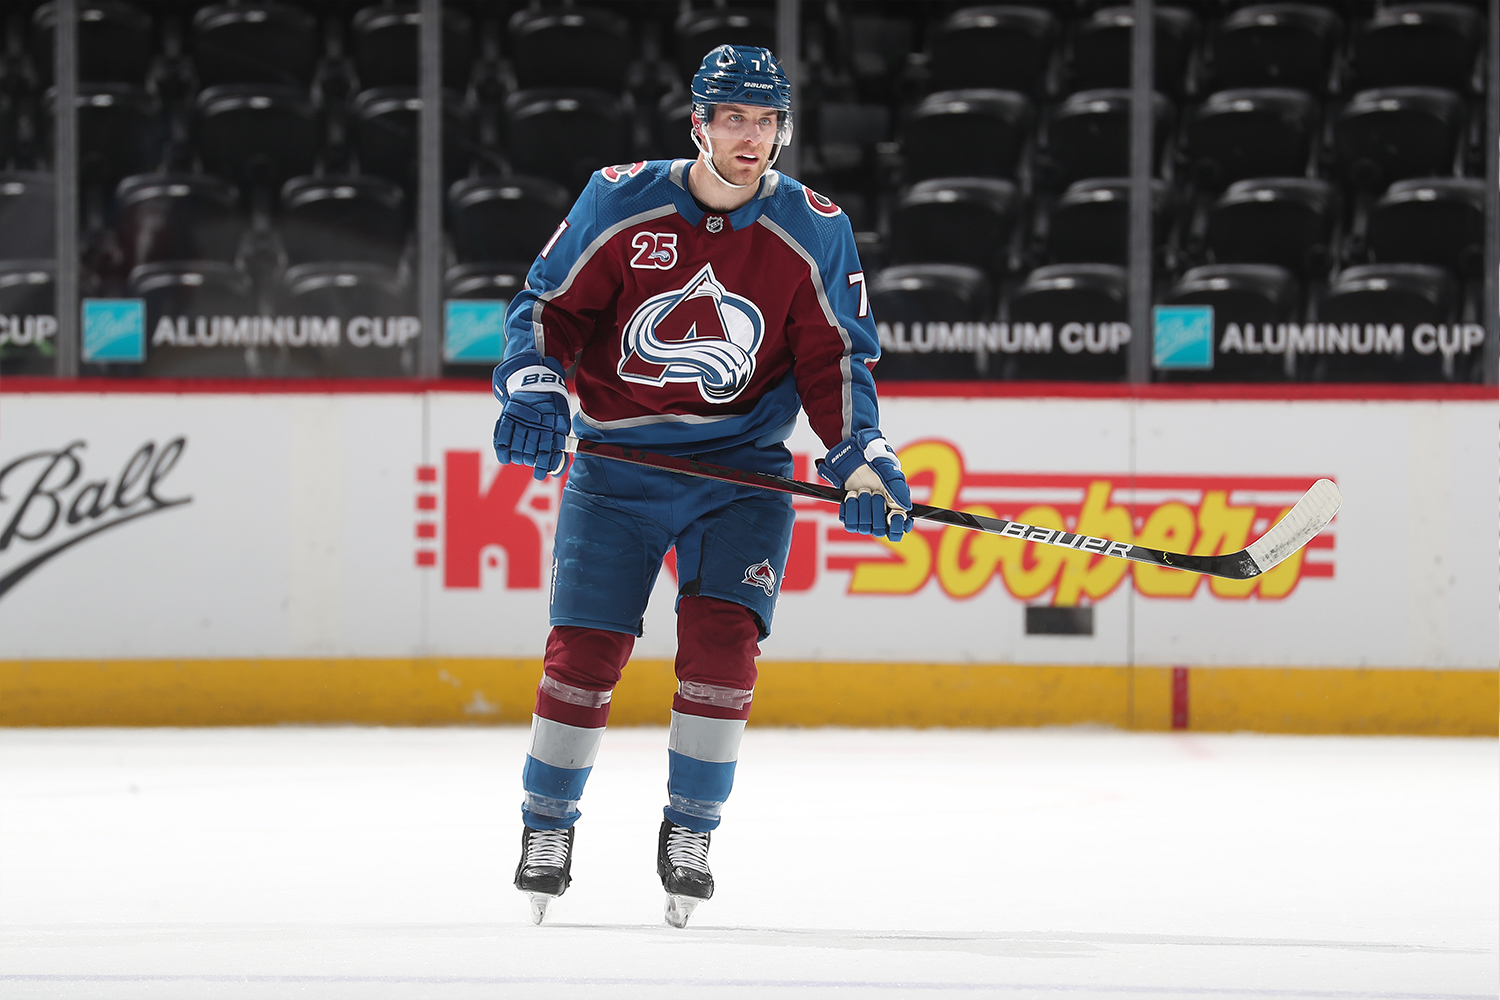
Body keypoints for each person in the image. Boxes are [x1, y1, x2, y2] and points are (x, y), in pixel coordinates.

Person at [492, 43, 912, 928]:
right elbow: (548, 308)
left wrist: (861, 455)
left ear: (783, 131)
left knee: (723, 656)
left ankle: (690, 831)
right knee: (584, 654)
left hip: (743, 477)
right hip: (619, 467)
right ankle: (546, 826)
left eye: (765, 122)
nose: (749, 137)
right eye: (732, 119)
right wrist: (534, 381)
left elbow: (833, 356)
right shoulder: (620, 196)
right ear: (699, 124)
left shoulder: (816, 226)